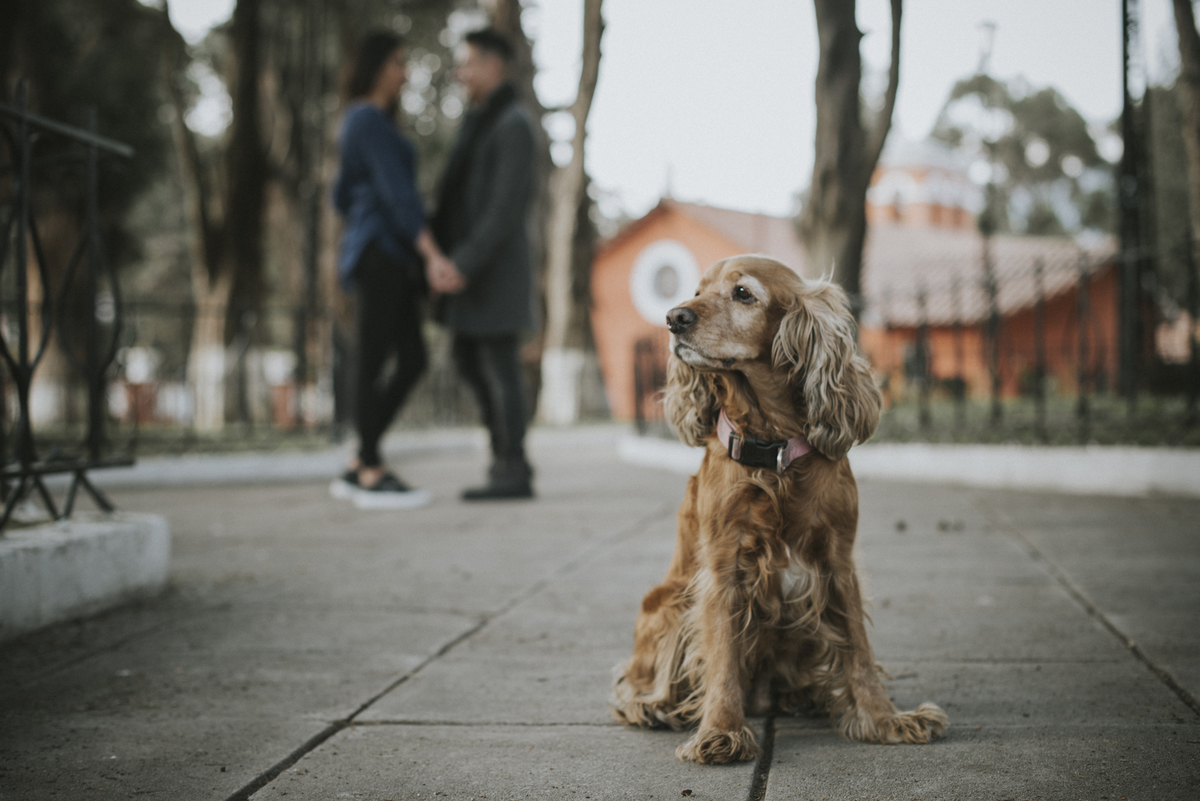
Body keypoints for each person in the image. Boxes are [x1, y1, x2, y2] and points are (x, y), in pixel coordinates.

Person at [331, 30, 463, 509]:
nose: (404, 72)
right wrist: (433, 255)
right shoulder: (366, 119)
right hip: (380, 253)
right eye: (397, 63)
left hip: (386, 253)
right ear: (374, 66)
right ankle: (368, 468)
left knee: (412, 358)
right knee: (372, 359)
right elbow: (397, 197)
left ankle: (360, 458)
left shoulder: (367, 122)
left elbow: (341, 194)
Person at [431, 28, 538, 500]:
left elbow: (503, 207)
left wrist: (463, 262)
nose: (461, 72)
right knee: (468, 360)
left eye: (469, 62)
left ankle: (512, 467)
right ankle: (505, 459)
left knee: (498, 367)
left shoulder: (512, 124)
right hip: (473, 273)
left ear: (493, 66)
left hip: (494, 273)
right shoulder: (481, 123)